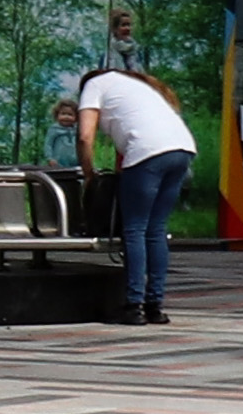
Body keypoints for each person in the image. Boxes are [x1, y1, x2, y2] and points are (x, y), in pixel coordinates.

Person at [62, 60, 199, 324]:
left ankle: (133, 305)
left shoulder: (93, 85)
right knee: (156, 229)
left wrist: (89, 174)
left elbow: (84, 137)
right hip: (182, 149)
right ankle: (155, 306)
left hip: (147, 152)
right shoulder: (134, 85)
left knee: (135, 229)